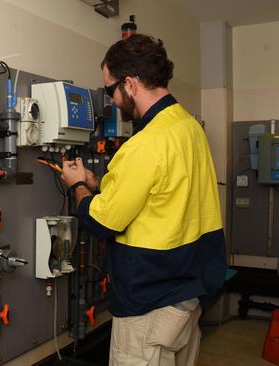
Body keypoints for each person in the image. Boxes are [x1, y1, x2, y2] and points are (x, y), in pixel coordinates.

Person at [60, 34, 226, 366]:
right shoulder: (188, 127)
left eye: (110, 90)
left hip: (150, 307)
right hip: (187, 297)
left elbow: (102, 221)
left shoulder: (145, 144)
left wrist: (78, 186)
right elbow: (159, 194)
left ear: (131, 83)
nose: (112, 101)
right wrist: (100, 182)